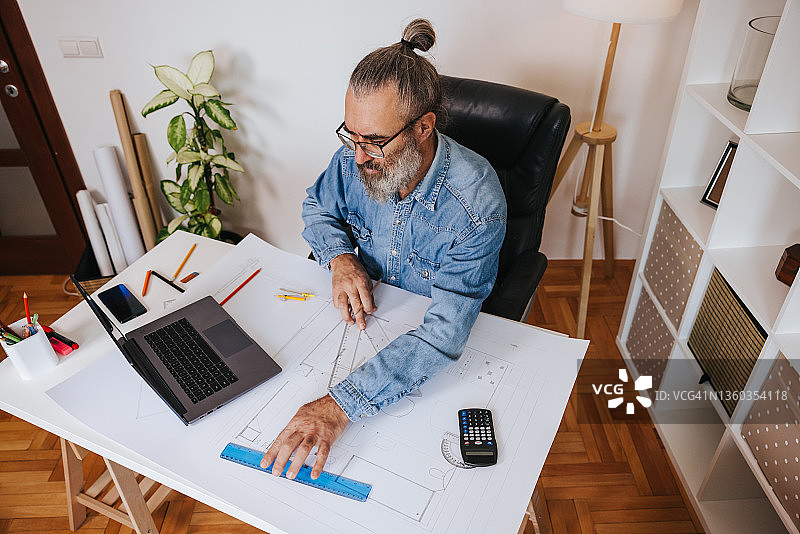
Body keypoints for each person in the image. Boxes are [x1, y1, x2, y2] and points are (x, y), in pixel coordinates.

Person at [260, 19, 507, 480]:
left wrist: (337, 408)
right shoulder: (355, 157)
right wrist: (339, 258)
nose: (357, 157)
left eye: (374, 141)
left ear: (423, 127)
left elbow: (443, 334)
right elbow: (317, 207)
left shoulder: (476, 206)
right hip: (353, 327)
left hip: (425, 351)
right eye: (350, 136)